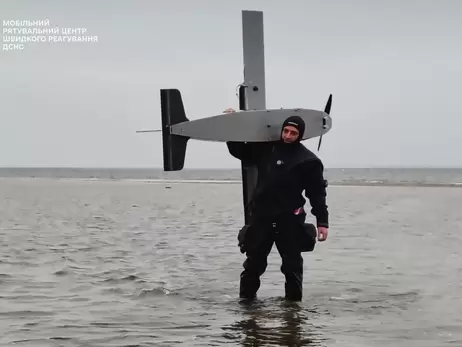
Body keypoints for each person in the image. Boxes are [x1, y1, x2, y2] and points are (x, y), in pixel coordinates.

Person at [224, 108, 329, 301]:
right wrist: (233, 122)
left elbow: (317, 193)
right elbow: (238, 150)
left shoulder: (308, 160)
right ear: (281, 130)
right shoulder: (267, 149)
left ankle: (293, 312)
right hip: (261, 218)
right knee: (253, 266)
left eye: (293, 133)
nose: (288, 136)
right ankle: (246, 309)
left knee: (292, 268)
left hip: (289, 220)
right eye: (286, 131)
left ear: (300, 135)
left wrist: (322, 222)